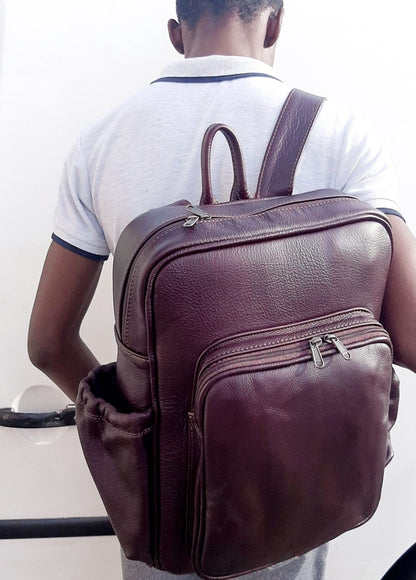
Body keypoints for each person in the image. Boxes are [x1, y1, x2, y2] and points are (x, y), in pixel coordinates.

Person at [28, 1, 416, 578]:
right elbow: (408, 338)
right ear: (276, 21)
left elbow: (49, 343)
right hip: (301, 492)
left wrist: (140, 430)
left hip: (174, 515)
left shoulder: (101, 143)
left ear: (175, 33)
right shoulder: (342, 135)